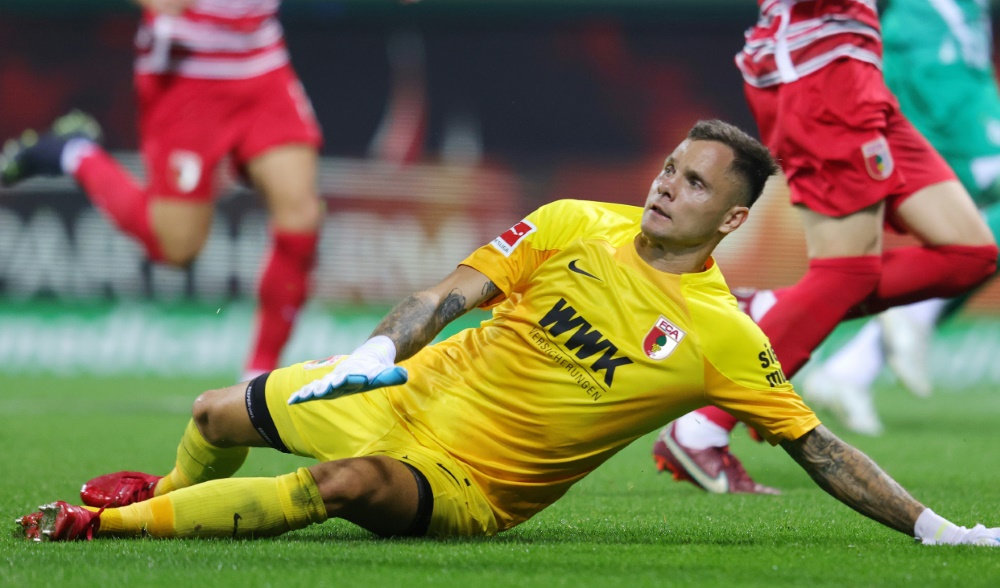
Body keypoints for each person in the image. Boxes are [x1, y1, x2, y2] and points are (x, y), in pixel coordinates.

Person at [15, 120, 999, 547]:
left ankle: (100, 527)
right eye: (668, 167)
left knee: (342, 488)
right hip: (395, 394)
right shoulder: (573, 219)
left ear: (733, 222)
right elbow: (448, 293)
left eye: (695, 184)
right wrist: (373, 355)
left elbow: (818, 449)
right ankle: (168, 494)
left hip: (469, 485)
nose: (666, 184)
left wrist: (934, 525)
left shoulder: (722, 339)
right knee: (211, 414)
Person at [653, 0, 999, 492]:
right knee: (846, 272)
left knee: (969, 253)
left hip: (854, 67)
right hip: (821, 72)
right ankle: (700, 428)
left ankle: (777, 309)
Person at [0, 0, 324, 378]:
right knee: (177, 247)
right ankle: (73, 153)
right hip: (186, 74)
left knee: (301, 216)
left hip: (262, 65)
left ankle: (256, 378)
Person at [799, 0, 1000, 435]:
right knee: (970, 237)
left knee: (973, 244)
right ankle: (905, 321)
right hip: (934, 50)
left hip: (954, 55)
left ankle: (852, 369)